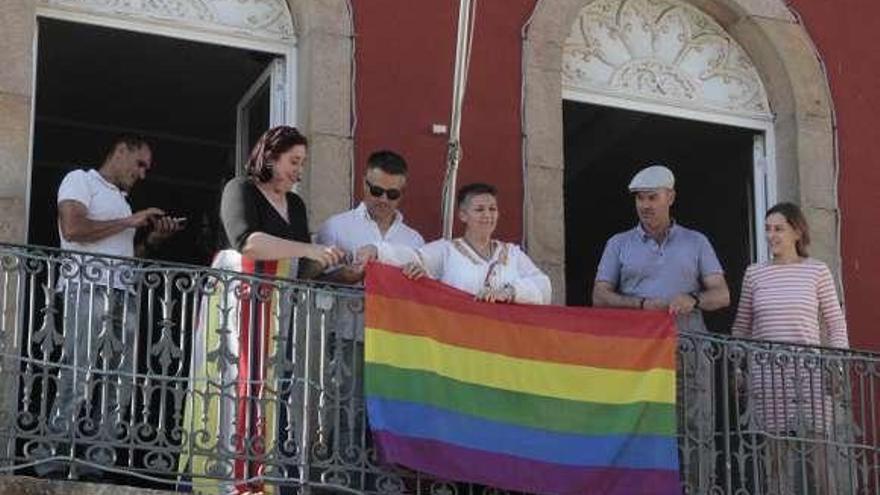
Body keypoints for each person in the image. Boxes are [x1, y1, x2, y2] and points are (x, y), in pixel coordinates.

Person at [183, 126, 344, 495]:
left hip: (277, 312)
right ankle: (222, 478)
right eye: (293, 162)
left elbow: (302, 265)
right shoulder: (239, 189)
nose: (298, 171)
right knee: (231, 382)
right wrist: (306, 250)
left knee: (268, 389)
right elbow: (247, 241)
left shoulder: (296, 205)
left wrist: (333, 263)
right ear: (270, 157)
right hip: (235, 308)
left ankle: (257, 475)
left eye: (302, 164)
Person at [46, 134, 183, 477]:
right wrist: (129, 222)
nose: (143, 174)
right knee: (77, 373)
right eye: (140, 164)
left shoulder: (122, 202)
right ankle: (51, 458)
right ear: (121, 151)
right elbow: (73, 227)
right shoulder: (81, 180)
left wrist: (153, 239)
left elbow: (126, 258)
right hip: (87, 290)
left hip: (123, 295)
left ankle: (97, 461)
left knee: (119, 383)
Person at [591, 164, 730, 494]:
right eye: (640, 198)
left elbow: (721, 294)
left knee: (696, 426)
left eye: (652, 197)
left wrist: (693, 298)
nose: (645, 205)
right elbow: (599, 296)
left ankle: (696, 488)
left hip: (690, 351)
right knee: (638, 425)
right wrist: (640, 305)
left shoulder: (696, 242)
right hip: (636, 354)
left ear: (671, 197)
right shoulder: (619, 243)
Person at [731, 202, 849, 495]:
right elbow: (741, 328)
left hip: (809, 379)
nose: (772, 235)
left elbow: (836, 323)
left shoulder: (816, 271)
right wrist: (736, 368)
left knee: (819, 467)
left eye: (779, 229)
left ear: (797, 232)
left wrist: (837, 368)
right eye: (768, 229)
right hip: (767, 380)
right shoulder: (754, 274)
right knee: (775, 470)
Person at [359, 182, 551, 305]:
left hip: (504, 344)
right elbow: (415, 257)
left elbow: (544, 287)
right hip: (459, 344)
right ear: (463, 215)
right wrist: (378, 250)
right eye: (479, 209)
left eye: (492, 209)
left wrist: (509, 292)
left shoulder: (512, 254)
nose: (487, 215)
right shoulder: (447, 250)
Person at [316, 149, 425, 283]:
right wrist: (343, 275)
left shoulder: (414, 240)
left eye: (392, 194)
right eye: (377, 191)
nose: (383, 200)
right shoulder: (334, 228)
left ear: (402, 193)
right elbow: (314, 282)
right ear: (364, 184)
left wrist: (420, 274)